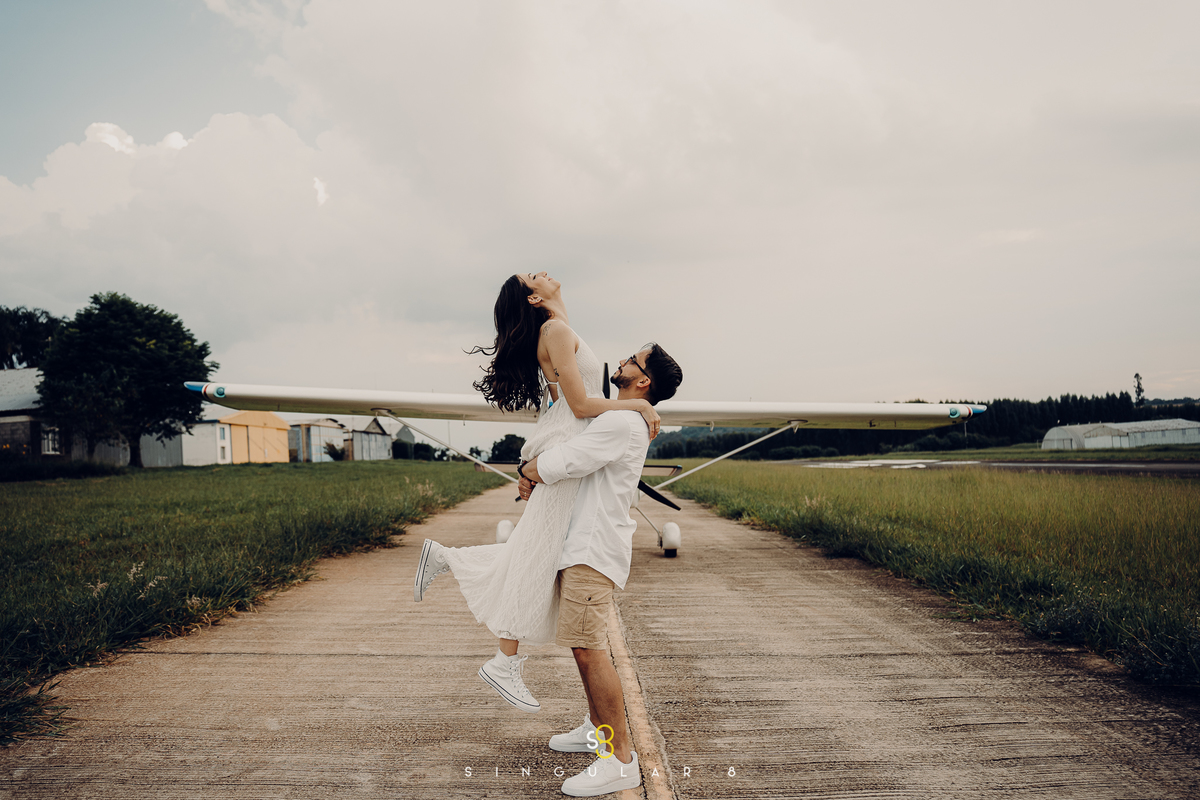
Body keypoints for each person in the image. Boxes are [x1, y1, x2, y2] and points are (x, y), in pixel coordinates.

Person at [412, 272, 662, 714]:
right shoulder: (557, 331)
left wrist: (555, 303)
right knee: (536, 553)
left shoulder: (558, 324)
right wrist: (639, 404)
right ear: (532, 295)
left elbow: (574, 375)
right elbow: (583, 405)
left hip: (563, 439)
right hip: (566, 441)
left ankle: (449, 562)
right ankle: (503, 661)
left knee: (532, 548)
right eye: (534, 277)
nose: (543, 273)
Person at [517, 342, 683, 797]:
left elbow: (568, 460)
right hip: (582, 547)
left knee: (591, 650)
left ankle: (620, 760)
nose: (623, 360)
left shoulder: (622, 421)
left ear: (643, 381)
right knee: (580, 646)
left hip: (592, 551)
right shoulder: (625, 415)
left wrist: (528, 468)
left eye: (634, 359)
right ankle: (597, 729)